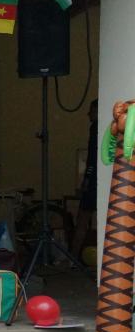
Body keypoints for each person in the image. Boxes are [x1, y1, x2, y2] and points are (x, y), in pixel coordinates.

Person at [72, 99, 100, 259]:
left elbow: (92, 157)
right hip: (101, 179)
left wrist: (86, 180)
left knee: (82, 218)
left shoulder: (95, 127)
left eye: (92, 111)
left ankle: (73, 257)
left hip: (94, 181)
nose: (89, 114)